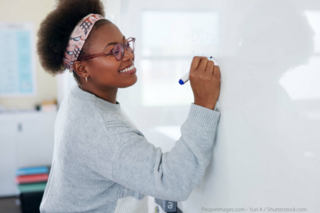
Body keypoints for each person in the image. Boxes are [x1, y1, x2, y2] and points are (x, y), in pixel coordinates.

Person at [36, 0, 221, 212]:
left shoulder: (79, 98)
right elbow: (172, 182)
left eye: (126, 44)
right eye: (114, 51)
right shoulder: (100, 129)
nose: (129, 54)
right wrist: (204, 105)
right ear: (82, 68)